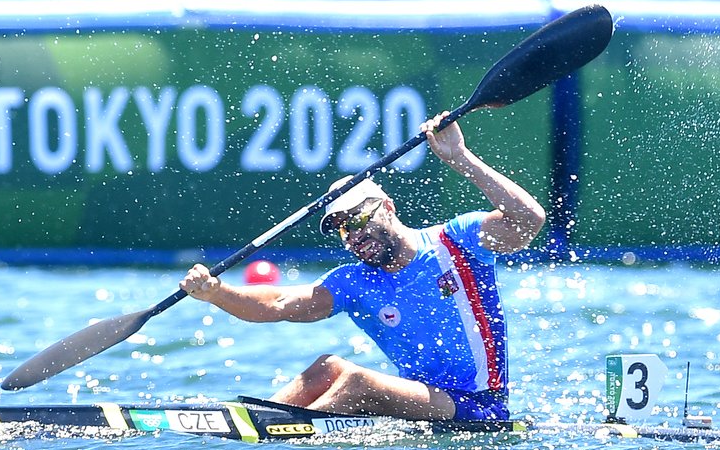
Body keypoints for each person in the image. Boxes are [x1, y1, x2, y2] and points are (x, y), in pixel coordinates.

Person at [179, 112, 545, 421]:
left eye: (355, 220)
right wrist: (216, 292)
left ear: (387, 206)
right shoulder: (354, 282)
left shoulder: (456, 242)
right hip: (423, 399)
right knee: (328, 367)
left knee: (358, 382)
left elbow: (528, 220)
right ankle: (254, 422)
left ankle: (279, 439)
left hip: (480, 406)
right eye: (339, 229)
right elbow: (276, 304)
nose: (350, 235)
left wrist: (461, 158)